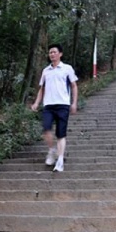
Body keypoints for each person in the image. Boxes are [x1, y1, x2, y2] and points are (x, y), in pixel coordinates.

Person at [31, 43, 79, 172]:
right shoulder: (46, 71)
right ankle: (52, 150)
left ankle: (60, 159)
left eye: (54, 52)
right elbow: (42, 88)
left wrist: (74, 103)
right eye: (50, 52)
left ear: (60, 54)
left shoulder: (67, 68)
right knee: (46, 129)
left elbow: (74, 86)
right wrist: (36, 103)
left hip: (63, 104)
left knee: (60, 133)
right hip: (48, 105)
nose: (52, 54)